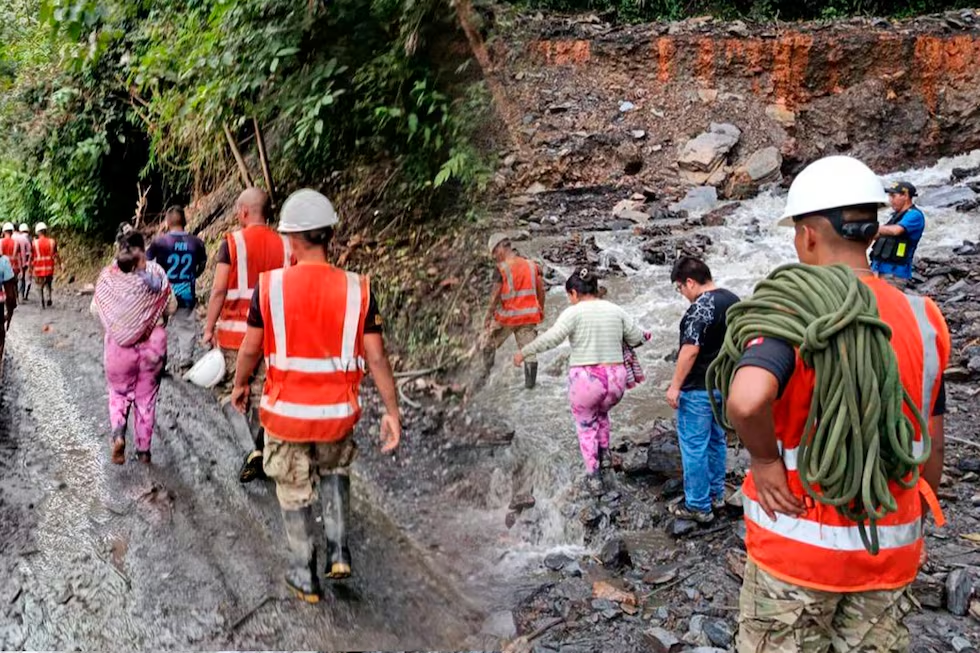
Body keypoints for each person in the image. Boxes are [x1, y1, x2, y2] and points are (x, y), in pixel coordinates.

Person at [728, 156, 949, 651]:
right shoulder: (924, 318)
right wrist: (910, 518)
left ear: (807, 235)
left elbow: (746, 400)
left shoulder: (790, 308)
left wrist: (765, 460)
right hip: (888, 551)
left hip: (795, 555)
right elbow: (931, 444)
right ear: (870, 232)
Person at [231, 189, 400, 603]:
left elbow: (250, 348)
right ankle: (339, 551)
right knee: (335, 469)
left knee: (292, 487)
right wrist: (392, 411)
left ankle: (305, 573)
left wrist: (240, 384)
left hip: (285, 416)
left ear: (290, 238)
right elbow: (377, 357)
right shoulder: (358, 289)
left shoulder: (269, 288)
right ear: (329, 235)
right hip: (336, 416)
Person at [514, 268, 645, 494]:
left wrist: (524, 352)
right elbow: (637, 338)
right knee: (601, 414)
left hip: (587, 380)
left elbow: (552, 339)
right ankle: (605, 456)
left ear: (574, 293)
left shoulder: (573, 313)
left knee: (586, 425)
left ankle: (594, 477)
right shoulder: (616, 310)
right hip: (616, 380)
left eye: (569, 296)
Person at [203, 187, 293, 483]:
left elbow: (219, 290)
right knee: (261, 392)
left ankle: (250, 451)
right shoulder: (288, 246)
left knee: (229, 392)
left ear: (243, 212)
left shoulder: (232, 243)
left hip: (235, 337)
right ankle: (264, 448)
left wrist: (209, 327)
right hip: (274, 337)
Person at [92, 225, 176, 465]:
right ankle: (144, 452)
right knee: (146, 399)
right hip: (153, 346)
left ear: (119, 249)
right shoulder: (156, 272)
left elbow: (95, 309)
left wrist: (122, 322)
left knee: (118, 394)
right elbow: (172, 306)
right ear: (144, 248)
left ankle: (119, 436)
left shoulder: (109, 276)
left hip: (119, 348)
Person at [665, 256, 739, 524]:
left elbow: (690, 350)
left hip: (698, 387)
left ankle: (698, 504)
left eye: (680, 288)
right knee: (717, 440)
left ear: (690, 282)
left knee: (694, 446)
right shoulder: (733, 300)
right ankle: (716, 495)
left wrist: (675, 386)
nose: (682, 294)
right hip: (724, 384)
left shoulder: (700, 307)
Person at [147, 206, 208, 371]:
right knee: (186, 326)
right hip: (186, 292)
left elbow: (147, 265)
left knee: (158, 326)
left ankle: (159, 361)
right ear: (185, 221)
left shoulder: (159, 243)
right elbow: (202, 265)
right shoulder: (196, 242)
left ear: (167, 222)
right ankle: (185, 359)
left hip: (163, 293)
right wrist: (192, 276)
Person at [483, 233, 546, 389]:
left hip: (507, 318)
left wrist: (487, 318)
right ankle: (530, 389)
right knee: (529, 354)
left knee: (488, 344)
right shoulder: (531, 265)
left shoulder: (501, 269)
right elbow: (541, 290)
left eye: (494, 253)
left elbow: (495, 297)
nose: (494, 257)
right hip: (528, 317)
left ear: (500, 248)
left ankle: (485, 377)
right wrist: (540, 310)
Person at [870, 180, 925, 287]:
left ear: (905, 196)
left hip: (895, 274)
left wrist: (872, 227)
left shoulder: (914, 215)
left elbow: (896, 231)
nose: (890, 200)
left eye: (893, 196)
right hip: (878, 269)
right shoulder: (895, 216)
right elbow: (878, 235)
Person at [0, 223, 24, 331]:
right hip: (12, 270)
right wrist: (21, 269)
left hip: (2, 271)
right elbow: (19, 257)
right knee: (11, 292)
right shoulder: (16, 243)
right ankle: (10, 311)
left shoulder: (0, 242)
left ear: (3, 232)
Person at [32, 223, 58, 308]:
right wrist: (60, 264)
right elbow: (56, 254)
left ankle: (41, 300)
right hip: (49, 266)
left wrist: (30, 267)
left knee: (40, 285)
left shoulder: (34, 243)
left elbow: (32, 256)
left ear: (37, 232)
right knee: (49, 283)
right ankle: (49, 297)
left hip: (38, 267)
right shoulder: (52, 241)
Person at [16, 224, 32, 301]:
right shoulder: (29, 239)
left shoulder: (16, 237)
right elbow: (30, 252)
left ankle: (17, 294)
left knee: (18, 278)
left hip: (16, 261)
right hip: (26, 261)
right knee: (25, 279)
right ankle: (24, 295)